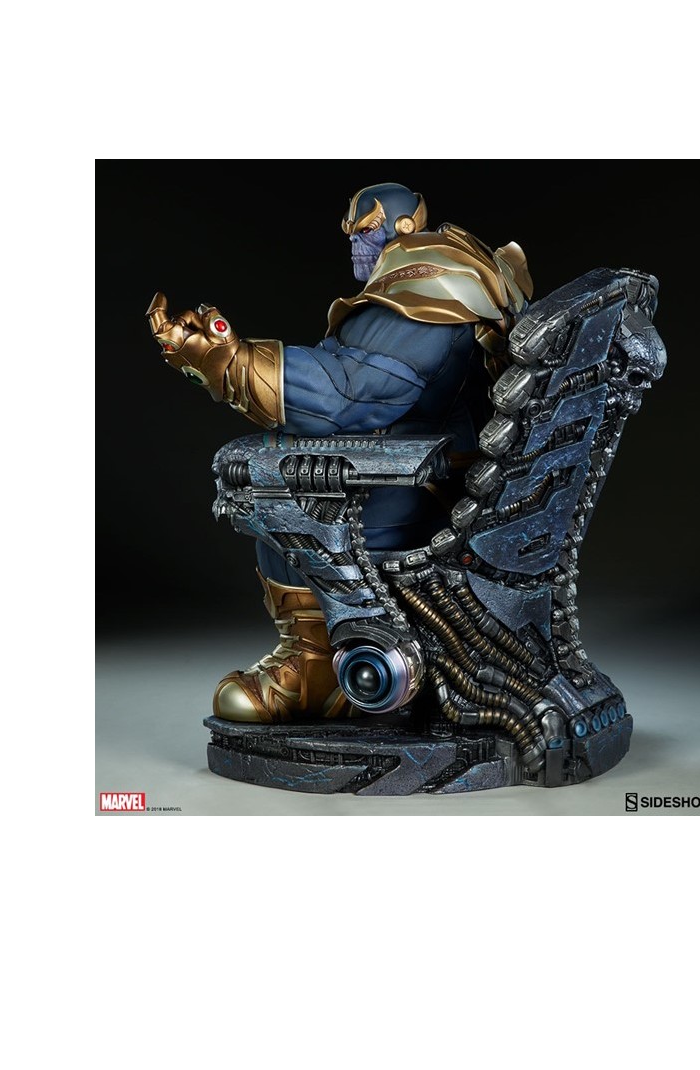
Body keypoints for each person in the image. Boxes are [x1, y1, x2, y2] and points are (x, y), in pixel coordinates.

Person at [147, 183, 533, 723]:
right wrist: (223, 363)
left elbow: (349, 396)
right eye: (349, 229)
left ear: (403, 227)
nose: (354, 240)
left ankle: (320, 668)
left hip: (426, 488)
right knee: (273, 464)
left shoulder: (433, 286)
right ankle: (320, 659)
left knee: (273, 489)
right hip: (430, 470)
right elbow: (347, 378)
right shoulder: (434, 280)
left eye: (366, 228)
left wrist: (230, 361)